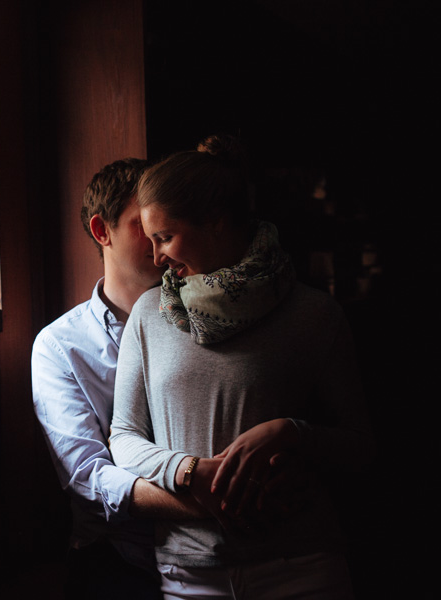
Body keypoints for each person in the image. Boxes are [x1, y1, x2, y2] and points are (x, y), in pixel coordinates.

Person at [109, 135, 375, 599]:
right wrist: (189, 472)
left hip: (303, 568)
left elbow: (361, 447)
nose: (157, 259)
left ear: (215, 220)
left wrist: (292, 432)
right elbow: (124, 437)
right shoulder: (150, 315)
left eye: (165, 237)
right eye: (151, 242)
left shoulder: (314, 313)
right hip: (192, 575)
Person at [31, 158, 209, 600]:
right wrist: (204, 502)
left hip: (213, 552)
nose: (157, 240)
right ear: (101, 231)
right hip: (118, 558)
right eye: (139, 225)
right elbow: (89, 475)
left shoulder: (206, 319)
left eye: (163, 225)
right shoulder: (60, 346)